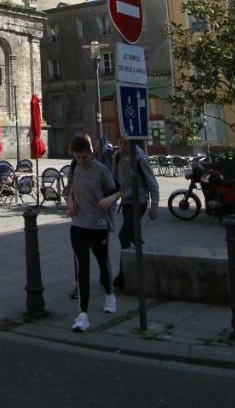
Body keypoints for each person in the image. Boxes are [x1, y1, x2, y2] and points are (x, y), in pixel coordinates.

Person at [65, 135, 117, 332]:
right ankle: (83, 314)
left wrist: (110, 200)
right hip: (78, 224)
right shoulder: (75, 166)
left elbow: (117, 190)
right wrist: (70, 202)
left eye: (84, 157)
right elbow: (71, 189)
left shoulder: (102, 170)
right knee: (82, 268)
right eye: (77, 158)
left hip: (98, 224)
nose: (81, 161)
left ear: (91, 153)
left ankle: (110, 294)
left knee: (103, 262)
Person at [110, 140, 160, 291]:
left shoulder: (140, 158)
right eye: (121, 142)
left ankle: (123, 276)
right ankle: (148, 265)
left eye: (125, 143)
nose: (122, 146)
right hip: (126, 202)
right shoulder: (117, 157)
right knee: (134, 237)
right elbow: (114, 180)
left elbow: (152, 182)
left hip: (140, 201)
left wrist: (155, 206)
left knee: (124, 235)